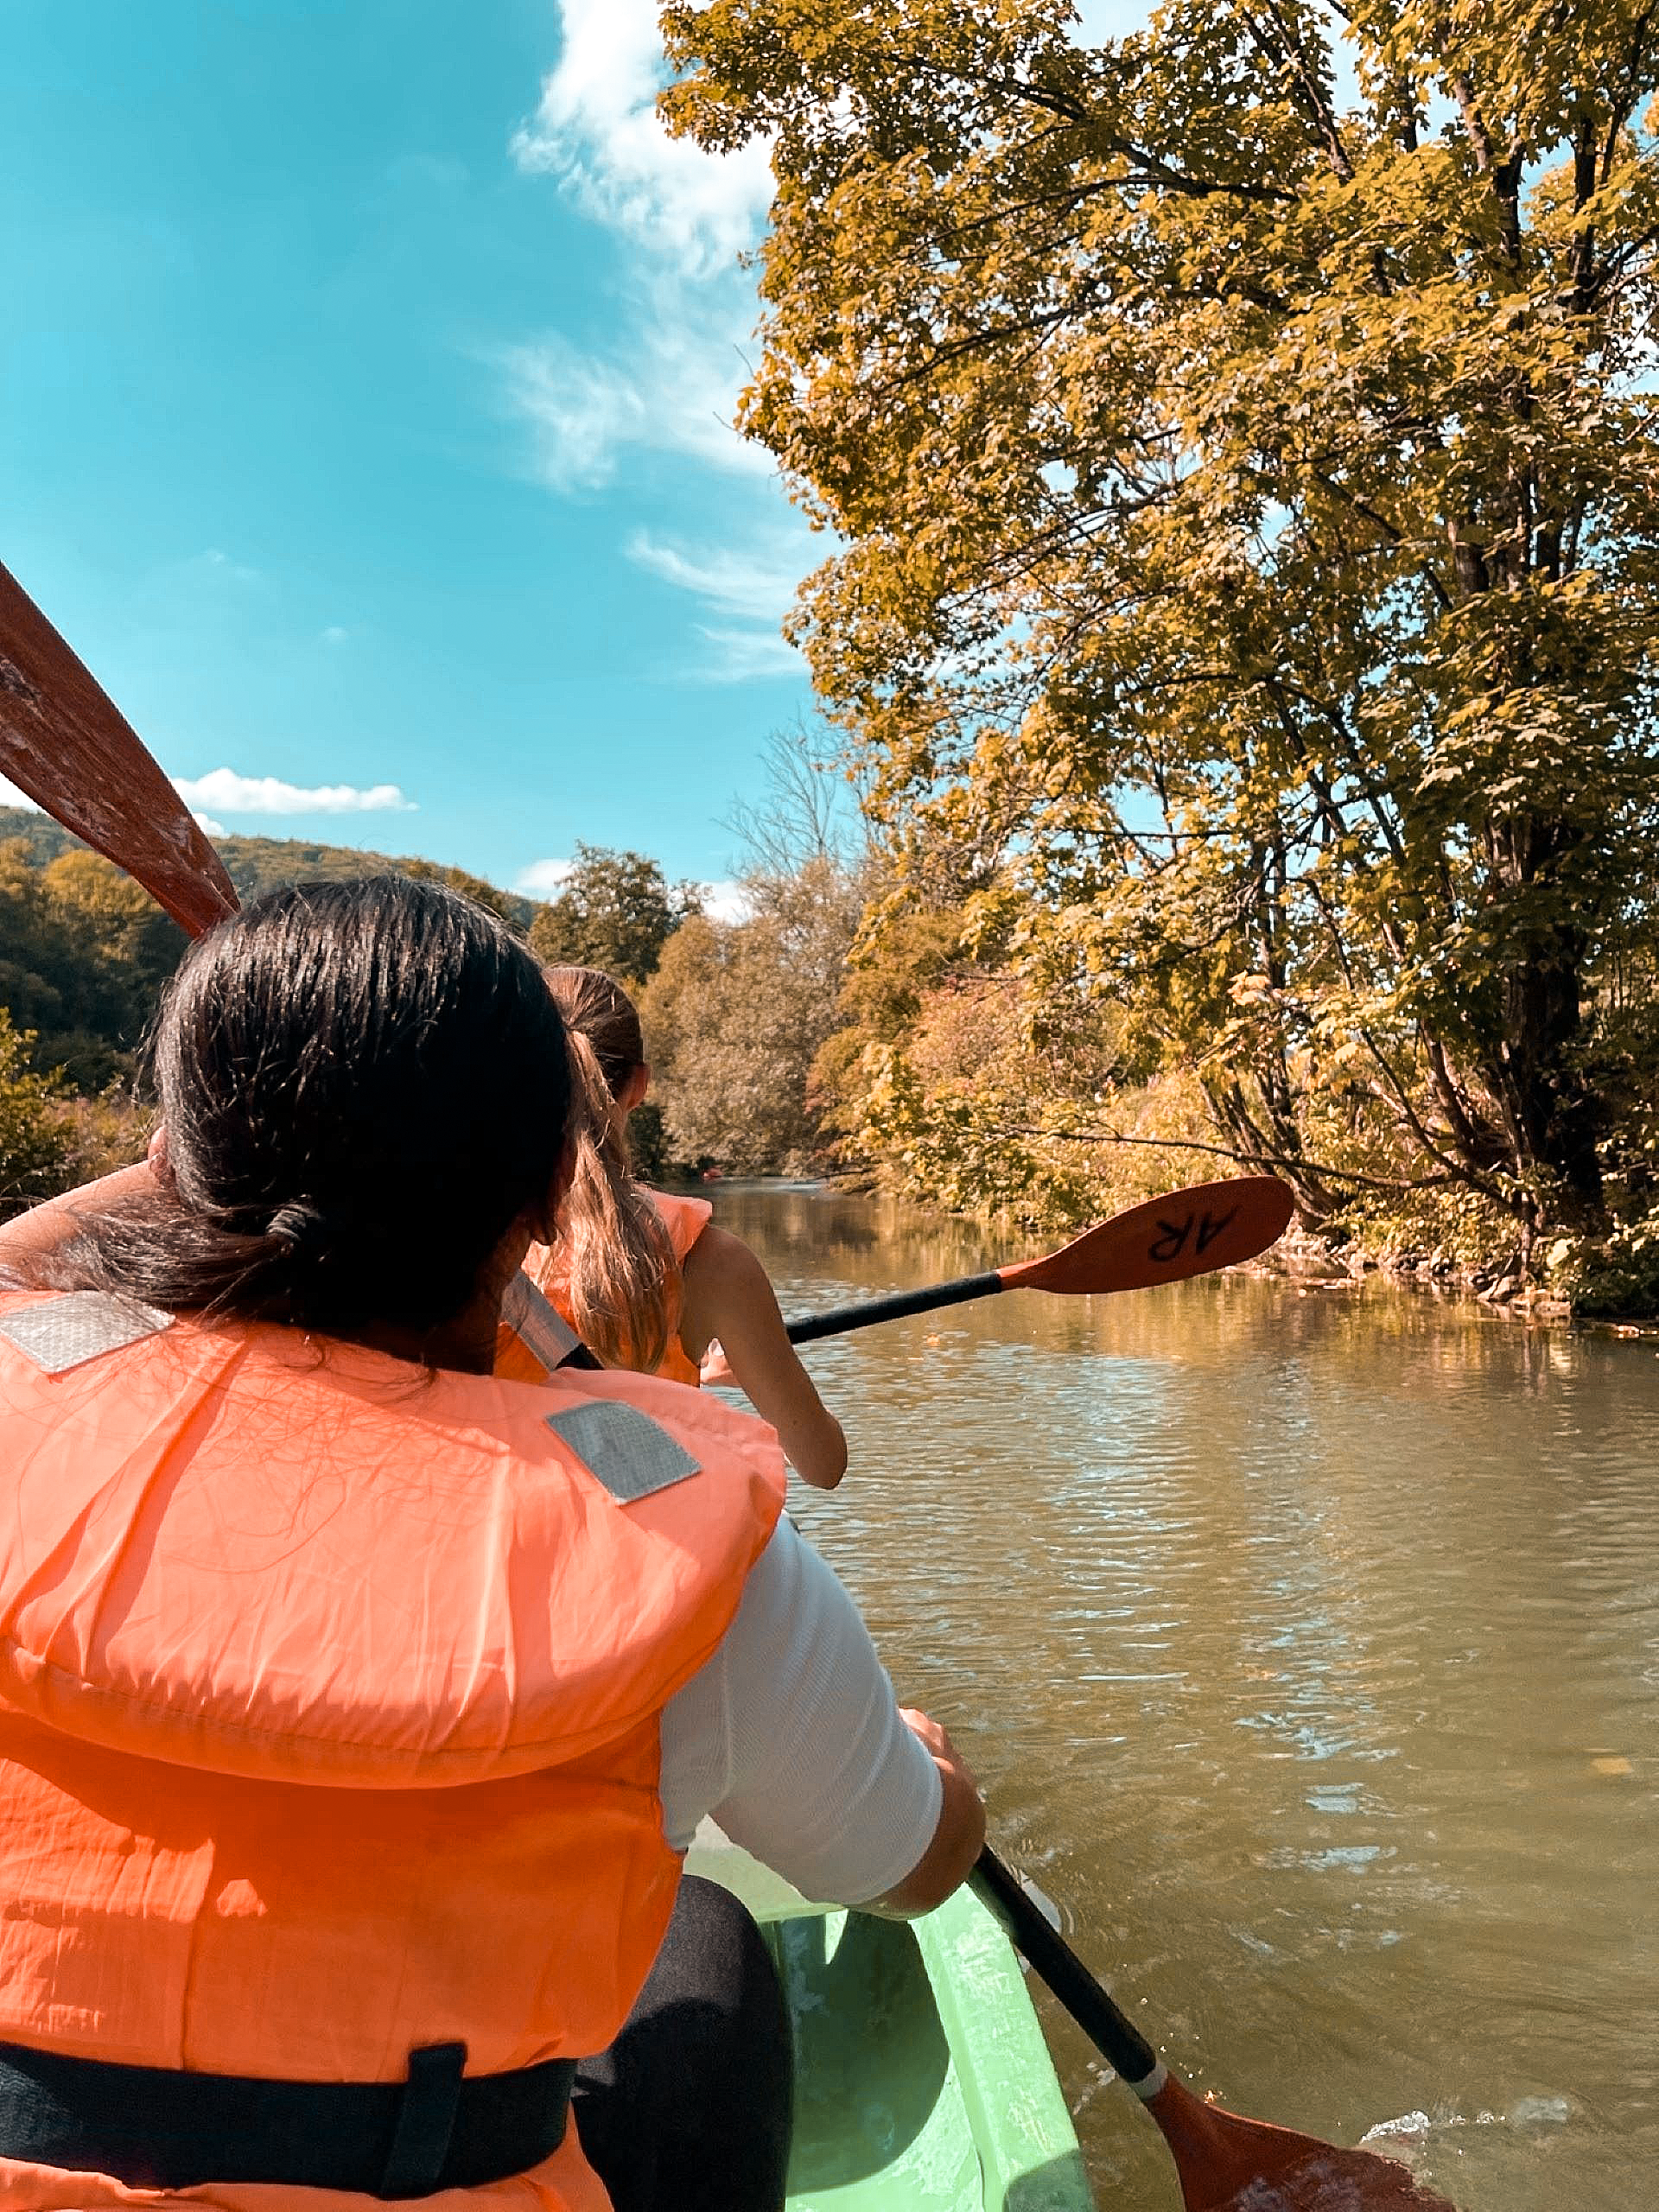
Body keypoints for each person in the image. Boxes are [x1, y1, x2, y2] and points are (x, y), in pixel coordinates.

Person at [0, 877, 984, 2212]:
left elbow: (24, 1264)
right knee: (705, 1935)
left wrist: (207, 1150)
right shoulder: (681, 1545)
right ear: (538, 1198)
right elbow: (911, 1871)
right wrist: (934, 1775)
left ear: (172, 1161)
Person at [526, 966, 848, 1491]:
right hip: (651, 1553)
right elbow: (823, 1464)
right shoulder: (711, 1261)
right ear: (639, 1086)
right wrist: (750, 1366)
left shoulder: (466, 1248)